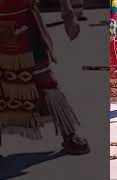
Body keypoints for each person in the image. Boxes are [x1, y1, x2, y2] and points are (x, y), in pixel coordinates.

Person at [0, 0, 90, 155]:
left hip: (26, 27)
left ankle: (69, 135)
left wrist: (68, 12)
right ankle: (69, 136)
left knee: (45, 80)